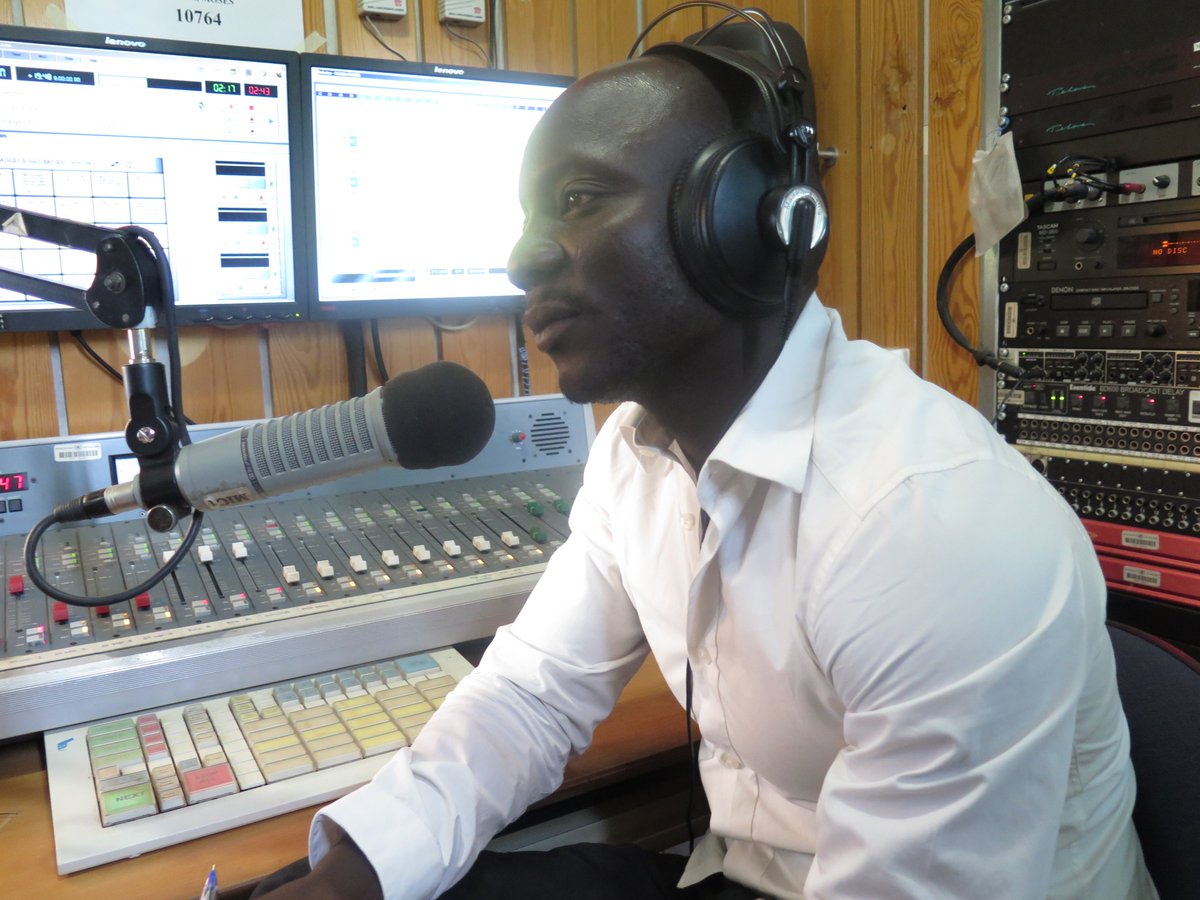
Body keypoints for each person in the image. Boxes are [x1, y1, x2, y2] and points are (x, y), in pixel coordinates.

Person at [258, 14, 1157, 900]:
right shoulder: (635, 454)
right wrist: (346, 882)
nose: (523, 258)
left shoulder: (929, 527)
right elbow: (532, 695)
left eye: (578, 199)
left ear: (741, 222)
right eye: (529, 217)